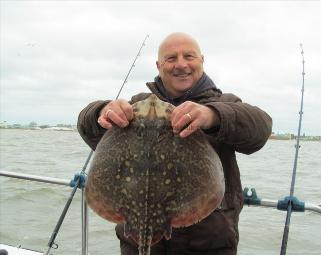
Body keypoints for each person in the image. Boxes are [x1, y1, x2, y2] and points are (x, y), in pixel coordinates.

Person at [78, 32, 272, 255]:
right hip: (134, 237)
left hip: (207, 246)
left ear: (201, 60)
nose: (181, 64)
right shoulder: (134, 106)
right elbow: (87, 128)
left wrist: (212, 116)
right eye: (171, 58)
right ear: (159, 65)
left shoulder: (224, 104)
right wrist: (100, 112)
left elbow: (261, 129)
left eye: (188, 56)